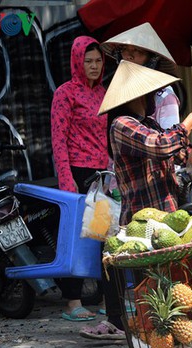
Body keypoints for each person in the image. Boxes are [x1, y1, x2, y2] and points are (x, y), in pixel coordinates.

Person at [97, 60, 192, 348]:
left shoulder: (144, 123)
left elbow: (173, 152)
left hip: (167, 219)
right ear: (134, 95)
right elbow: (159, 146)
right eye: (148, 91)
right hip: (142, 228)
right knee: (147, 299)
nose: (152, 97)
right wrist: (187, 123)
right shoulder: (121, 125)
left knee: (172, 288)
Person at [51, 35, 110, 322]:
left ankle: (101, 298)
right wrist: (66, 180)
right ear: (77, 61)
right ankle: (72, 301)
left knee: (100, 236)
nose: (94, 66)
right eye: (88, 61)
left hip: (101, 173)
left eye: (98, 60)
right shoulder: (65, 93)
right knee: (76, 238)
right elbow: (58, 139)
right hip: (76, 172)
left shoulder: (104, 93)